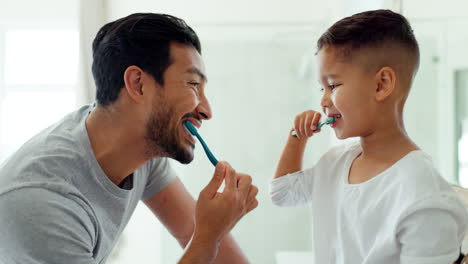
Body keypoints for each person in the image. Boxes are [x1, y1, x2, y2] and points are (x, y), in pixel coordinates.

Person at [0, 13, 258, 264]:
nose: (206, 110)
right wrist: (208, 237)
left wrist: (209, 232)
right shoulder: (40, 203)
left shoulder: (141, 147)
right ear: (138, 84)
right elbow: (201, 237)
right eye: (192, 84)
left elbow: (190, 228)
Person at [270, 9, 467, 264]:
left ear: (381, 84)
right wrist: (296, 137)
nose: (323, 100)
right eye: (322, 88)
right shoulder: (335, 163)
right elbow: (283, 193)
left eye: (333, 85)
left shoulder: (425, 197)